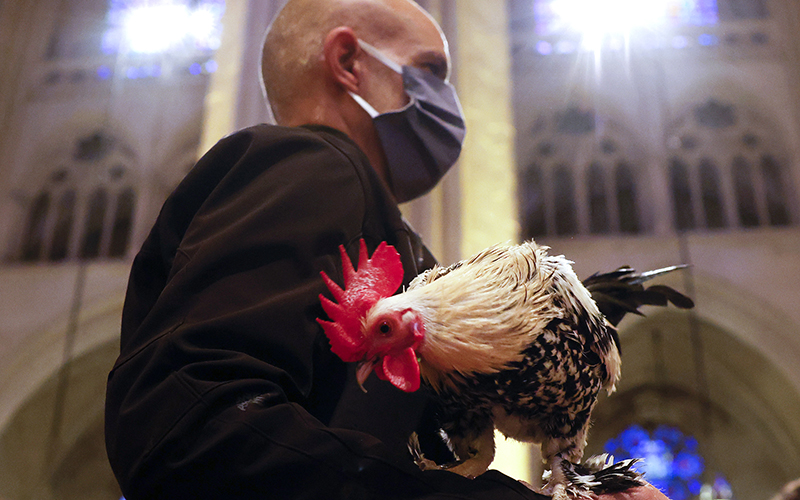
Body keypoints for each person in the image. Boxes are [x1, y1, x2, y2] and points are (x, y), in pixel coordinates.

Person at [104, 1, 671, 499]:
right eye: (429, 72)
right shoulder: (314, 167)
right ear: (349, 62)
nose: (446, 98)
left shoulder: (379, 226)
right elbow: (195, 432)